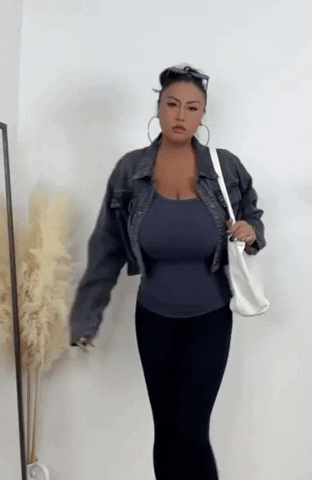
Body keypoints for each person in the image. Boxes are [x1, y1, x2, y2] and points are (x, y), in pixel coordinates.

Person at [70, 64, 266, 480]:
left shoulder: (225, 166)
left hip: (210, 317)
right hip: (154, 318)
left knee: (191, 430)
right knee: (167, 431)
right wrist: (87, 315)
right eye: (172, 104)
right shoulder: (130, 170)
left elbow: (252, 214)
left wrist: (251, 231)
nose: (181, 116)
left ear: (203, 114)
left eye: (192, 108)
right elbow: (107, 245)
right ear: (158, 107)